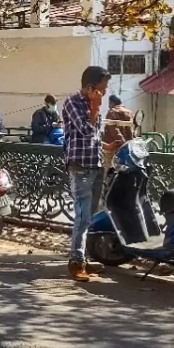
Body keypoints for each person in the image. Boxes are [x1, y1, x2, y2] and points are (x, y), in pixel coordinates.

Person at [62, 65, 110, 281]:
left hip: (95, 163)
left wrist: (107, 147)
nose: (105, 92)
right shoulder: (73, 102)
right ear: (90, 87)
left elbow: (95, 136)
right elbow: (85, 130)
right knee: (82, 217)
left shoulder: (94, 105)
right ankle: (76, 262)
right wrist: (95, 107)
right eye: (102, 87)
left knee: (89, 217)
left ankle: (82, 256)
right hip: (80, 166)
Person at [102, 94, 135, 167]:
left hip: (113, 147)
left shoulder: (112, 112)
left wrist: (122, 144)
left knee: (109, 169)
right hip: (128, 147)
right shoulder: (129, 112)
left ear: (112, 103)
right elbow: (132, 130)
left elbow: (115, 132)